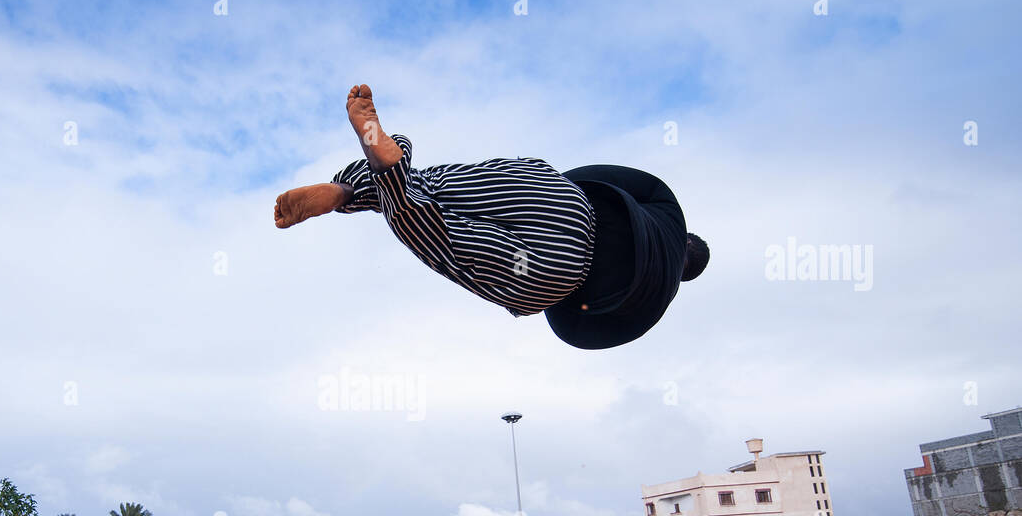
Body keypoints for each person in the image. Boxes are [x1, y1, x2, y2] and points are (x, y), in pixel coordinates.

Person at [275, 85, 709, 350]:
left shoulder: (667, 210)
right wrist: (535, 300)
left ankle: (362, 180)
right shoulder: (656, 300)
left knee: (438, 184)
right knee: (444, 239)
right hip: (556, 271)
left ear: (687, 239)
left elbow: (600, 176)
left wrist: (545, 188)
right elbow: (582, 333)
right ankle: (388, 173)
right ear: (683, 275)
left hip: (563, 201)